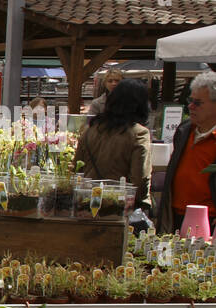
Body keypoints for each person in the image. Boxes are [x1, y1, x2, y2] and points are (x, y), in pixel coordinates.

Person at [73, 78, 153, 206]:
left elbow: (77, 167)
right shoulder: (139, 133)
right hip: (119, 206)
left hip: (88, 202)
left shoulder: (90, 130)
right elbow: (140, 178)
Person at [157, 70, 216, 233]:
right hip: (175, 215)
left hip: (209, 221)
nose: (190, 106)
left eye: (198, 103)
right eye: (190, 100)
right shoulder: (184, 130)